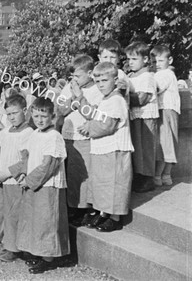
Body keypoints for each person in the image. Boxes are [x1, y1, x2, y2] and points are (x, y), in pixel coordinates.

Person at [11, 97, 70, 274]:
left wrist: (29, 181)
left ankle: (49, 258)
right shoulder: (35, 134)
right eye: (36, 116)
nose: (39, 120)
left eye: (44, 116)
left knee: (47, 220)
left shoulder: (54, 136)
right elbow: (27, 157)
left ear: (52, 116)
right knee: (34, 219)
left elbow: (48, 166)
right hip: (34, 182)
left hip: (47, 185)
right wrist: (21, 174)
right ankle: (38, 252)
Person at [77, 62, 134, 232]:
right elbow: (95, 115)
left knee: (115, 183)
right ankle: (105, 213)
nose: (101, 84)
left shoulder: (116, 100)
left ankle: (115, 217)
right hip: (103, 149)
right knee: (103, 183)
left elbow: (107, 125)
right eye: (98, 81)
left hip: (115, 150)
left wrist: (89, 128)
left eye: (104, 80)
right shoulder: (105, 99)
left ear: (115, 80)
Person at [57, 54, 104, 226]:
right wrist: (73, 97)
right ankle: (72, 207)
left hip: (83, 138)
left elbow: (91, 114)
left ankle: (84, 209)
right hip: (67, 136)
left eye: (78, 76)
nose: (74, 80)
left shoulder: (97, 91)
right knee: (69, 174)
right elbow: (61, 110)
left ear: (90, 73)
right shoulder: (69, 88)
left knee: (82, 176)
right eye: (72, 76)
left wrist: (79, 97)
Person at [0, 94, 34, 262]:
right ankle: (7, 243)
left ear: (24, 110)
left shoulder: (28, 132)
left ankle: (14, 248)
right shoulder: (5, 132)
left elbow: (26, 159)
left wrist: (7, 173)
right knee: (4, 212)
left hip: (14, 179)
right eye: (8, 114)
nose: (11, 117)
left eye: (15, 113)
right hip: (2, 179)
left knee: (14, 214)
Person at [125, 41, 159, 193]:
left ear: (145, 59)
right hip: (135, 117)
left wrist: (123, 94)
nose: (130, 62)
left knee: (145, 147)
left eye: (134, 59)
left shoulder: (148, 77)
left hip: (146, 117)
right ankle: (139, 176)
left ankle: (148, 178)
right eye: (129, 59)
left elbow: (141, 99)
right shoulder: (131, 76)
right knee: (137, 148)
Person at [151, 45, 181, 186]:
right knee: (170, 143)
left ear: (170, 60)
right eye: (154, 62)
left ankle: (159, 175)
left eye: (160, 61)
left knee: (163, 143)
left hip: (165, 111)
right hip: (171, 111)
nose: (157, 65)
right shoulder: (169, 74)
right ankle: (166, 175)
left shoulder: (165, 74)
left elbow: (155, 88)